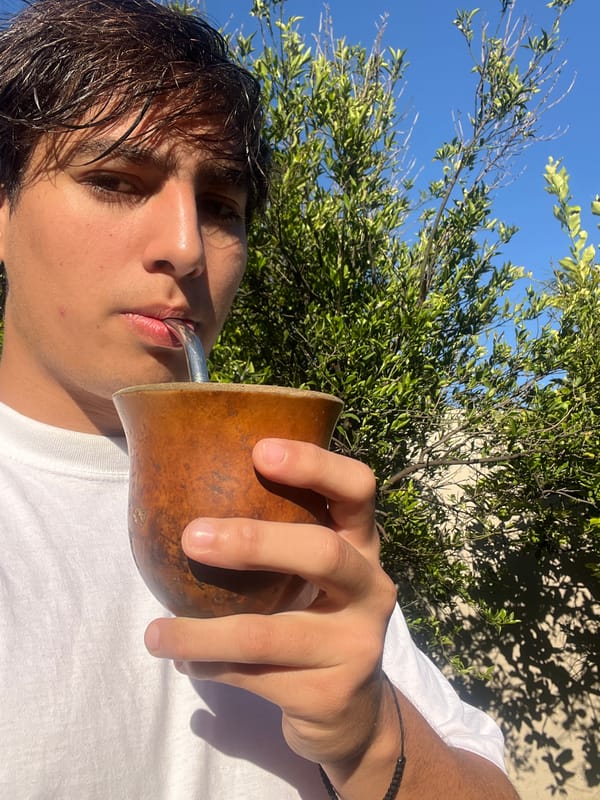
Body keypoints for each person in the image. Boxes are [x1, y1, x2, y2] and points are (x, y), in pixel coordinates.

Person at [0, 1, 519, 798]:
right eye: (115, 182)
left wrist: (370, 738)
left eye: (220, 208)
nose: (186, 248)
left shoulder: (285, 512)